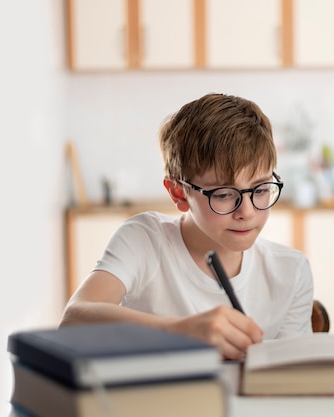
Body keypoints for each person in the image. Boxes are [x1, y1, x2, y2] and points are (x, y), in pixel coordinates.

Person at [60, 93, 314, 360]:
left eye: (260, 189)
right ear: (179, 193)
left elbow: (291, 381)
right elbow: (74, 318)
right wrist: (180, 332)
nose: (247, 212)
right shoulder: (145, 239)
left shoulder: (291, 271)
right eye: (224, 194)